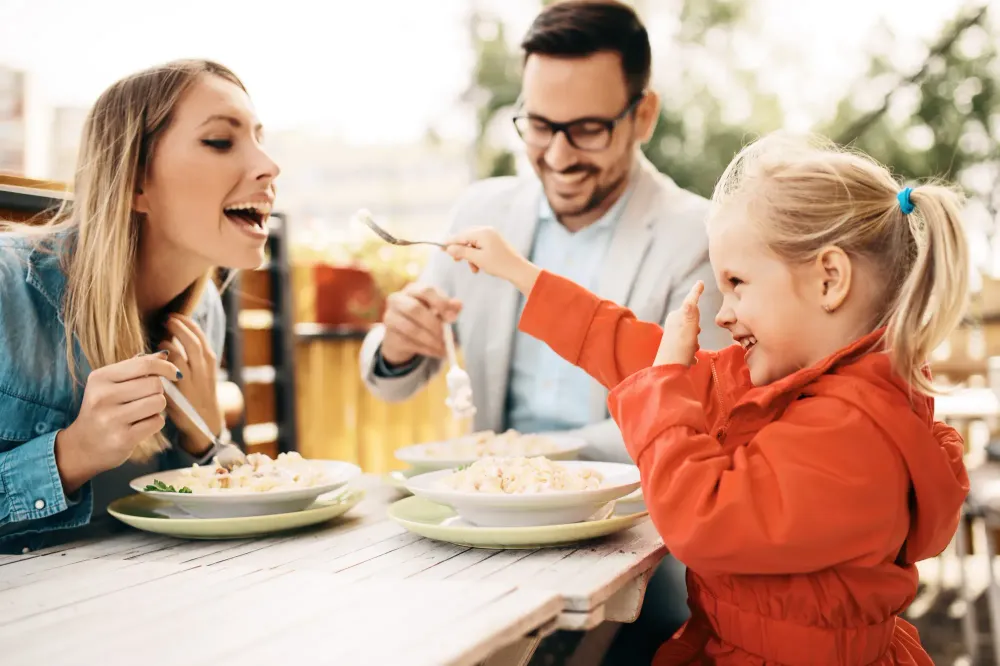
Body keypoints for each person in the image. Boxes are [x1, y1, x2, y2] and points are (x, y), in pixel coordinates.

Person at [444, 132, 970, 665]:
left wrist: (667, 381)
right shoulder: (797, 390)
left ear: (829, 279)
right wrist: (524, 275)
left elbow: (701, 519)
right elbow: (637, 350)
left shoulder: (852, 436)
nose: (722, 313)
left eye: (737, 283)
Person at [361, 3, 728, 654]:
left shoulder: (696, 236)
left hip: (629, 540)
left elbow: (701, 415)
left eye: (586, 129)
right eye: (537, 126)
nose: (557, 156)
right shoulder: (483, 209)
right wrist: (397, 344)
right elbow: (395, 381)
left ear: (642, 115)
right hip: (484, 526)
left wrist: (527, 458)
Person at [0, 59, 279, 554]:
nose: (269, 166)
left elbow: (195, 518)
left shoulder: (202, 309)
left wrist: (206, 441)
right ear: (135, 182)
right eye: (220, 141)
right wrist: (70, 455)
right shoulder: (6, 290)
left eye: (260, 139)